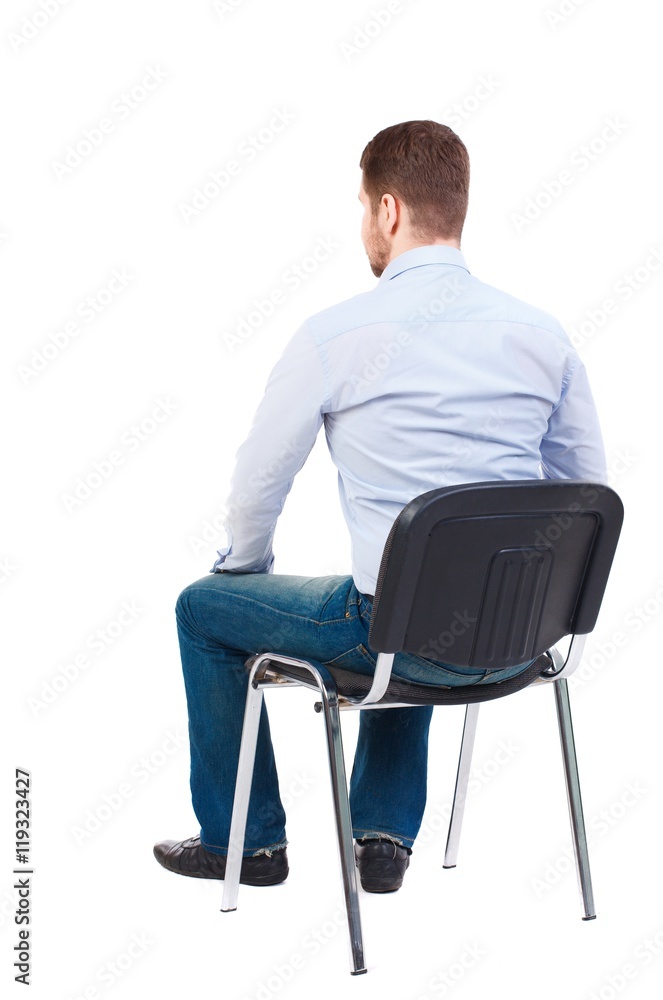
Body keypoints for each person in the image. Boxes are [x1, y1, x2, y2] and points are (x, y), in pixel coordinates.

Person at [154, 120, 606, 893]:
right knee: (426, 583)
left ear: (388, 211)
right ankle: (384, 833)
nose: (365, 223)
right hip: (527, 640)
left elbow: (259, 482)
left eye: (363, 207)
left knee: (205, 608)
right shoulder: (542, 335)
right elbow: (586, 490)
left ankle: (247, 844)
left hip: (396, 640)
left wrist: (246, 573)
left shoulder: (336, 335)